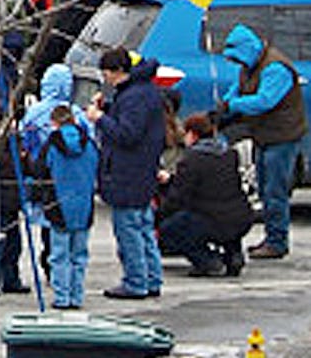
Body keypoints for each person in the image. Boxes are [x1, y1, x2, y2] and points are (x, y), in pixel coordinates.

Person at [214, 24, 307, 259]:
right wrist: (224, 105)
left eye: (238, 58)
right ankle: (271, 236)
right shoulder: (250, 66)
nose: (237, 64)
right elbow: (237, 90)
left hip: (282, 136)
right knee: (265, 188)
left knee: (275, 190)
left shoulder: (276, 68)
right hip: (263, 135)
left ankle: (277, 241)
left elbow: (265, 101)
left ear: (248, 49)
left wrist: (234, 106)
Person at [85, 47, 165, 299]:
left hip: (128, 172)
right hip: (143, 170)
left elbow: (127, 134)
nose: (105, 78)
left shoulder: (134, 96)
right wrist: (108, 109)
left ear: (117, 71)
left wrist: (99, 118)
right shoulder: (141, 91)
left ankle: (136, 281)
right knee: (143, 227)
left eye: (106, 73)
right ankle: (152, 278)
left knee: (129, 229)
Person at [157, 113, 252, 277]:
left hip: (211, 218)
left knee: (172, 228)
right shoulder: (228, 154)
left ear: (192, 135)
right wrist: (173, 179)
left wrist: (158, 219)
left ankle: (208, 261)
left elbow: (179, 196)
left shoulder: (192, 159)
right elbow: (211, 183)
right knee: (225, 216)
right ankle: (233, 254)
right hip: (241, 216)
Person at [36, 105, 98, 309]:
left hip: (59, 206)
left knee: (59, 255)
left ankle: (62, 296)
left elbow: (39, 171)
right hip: (84, 206)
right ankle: (76, 296)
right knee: (79, 255)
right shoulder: (89, 144)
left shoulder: (51, 146)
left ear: (54, 123)